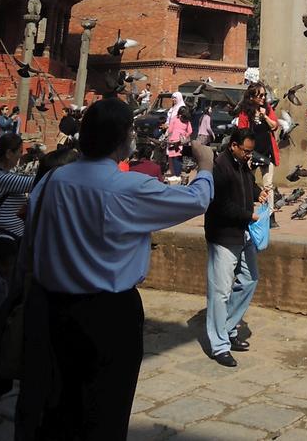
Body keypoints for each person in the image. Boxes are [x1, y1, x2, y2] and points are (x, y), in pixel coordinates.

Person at [17, 97, 214, 440]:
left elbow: (30, 239)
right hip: (106, 314)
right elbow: (195, 200)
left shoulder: (53, 181)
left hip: (51, 307)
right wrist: (206, 167)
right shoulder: (126, 187)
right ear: (123, 137)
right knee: (105, 406)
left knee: (56, 402)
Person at [204, 128, 267, 367]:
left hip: (242, 233)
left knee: (250, 278)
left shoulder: (242, 164)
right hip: (223, 234)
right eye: (246, 151)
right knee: (220, 292)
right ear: (234, 146)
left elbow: (247, 186)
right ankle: (219, 344)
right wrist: (247, 215)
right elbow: (219, 205)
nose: (249, 155)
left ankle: (228, 328)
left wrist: (258, 193)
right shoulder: (219, 167)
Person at [236, 83, 279, 221]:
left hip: (268, 151)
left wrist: (265, 116)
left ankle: (270, 215)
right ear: (251, 96)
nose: (263, 97)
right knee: (248, 181)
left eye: (264, 95)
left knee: (268, 185)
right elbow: (242, 131)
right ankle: (248, 212)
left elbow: (275, 126)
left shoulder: (267, 108)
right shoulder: (244, 111)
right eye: (260, 95)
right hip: (252, 153)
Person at [0, 133, 35, 244]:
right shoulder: (0, 179)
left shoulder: (1, 173)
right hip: (6, 240)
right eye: (20, 152)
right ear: (9, 153)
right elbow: (37, 182)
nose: (21, 155)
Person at [165, 106, 192, 178]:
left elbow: (170, 130)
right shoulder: (187, 121)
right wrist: (185, 135)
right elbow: (190, 131)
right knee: (179, 158)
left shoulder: (174, 119)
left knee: (173, 158)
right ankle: (178, 175)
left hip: (172, 141)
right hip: (181, 142)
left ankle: (174, 175)